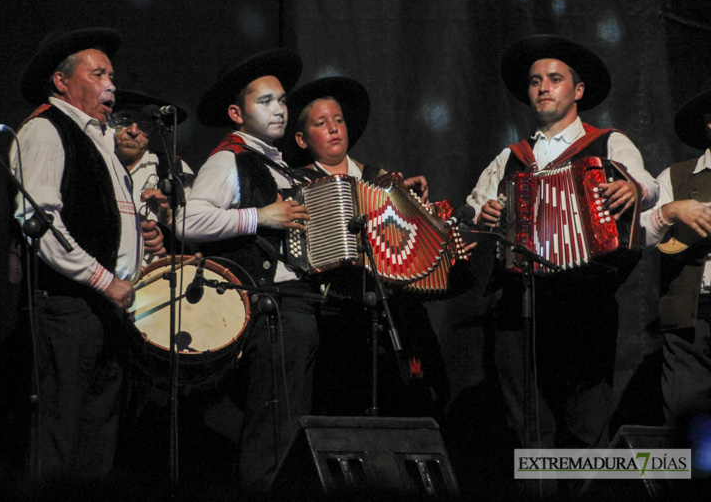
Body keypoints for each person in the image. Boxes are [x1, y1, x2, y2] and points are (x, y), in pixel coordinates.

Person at [466, 35, 659, 455]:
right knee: (529, 430)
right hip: (520, 303)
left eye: (555, 79)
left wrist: (632, 189)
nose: (543, 87)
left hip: (584, 301)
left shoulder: (609, 142)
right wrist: (485, 216)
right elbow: (477, 206)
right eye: (535, 81)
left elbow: (647, 183)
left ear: (578, 91)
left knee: (586, 427)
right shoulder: (510, 156)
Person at [284, 76, 471, 419]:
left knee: (413, 394)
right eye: (321, 123)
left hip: (392, 309)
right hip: (336, 313)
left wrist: (409, 201)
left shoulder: (378, 176)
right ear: (301, 138)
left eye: (338, 120)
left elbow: (407, 239)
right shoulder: (296, 183)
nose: (334, 129)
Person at [10, 27, 143, 481]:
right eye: (98, 73)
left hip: (107, 309)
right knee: (62, 433)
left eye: (112, 75)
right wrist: (105, 279)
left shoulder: (101, 140)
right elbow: (40, 222)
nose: (111, 84)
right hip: (69, 309)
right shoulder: (47, 130)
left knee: (98, 437)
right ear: (62, 81)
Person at [182, 49, 315, 492]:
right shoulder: (230, 159)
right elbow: (189, 221)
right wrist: (261, 217)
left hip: (296, 307)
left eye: (281, 100)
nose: (279, 109)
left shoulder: (276, 163)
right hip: (267, 309)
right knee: (272, 426)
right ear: (237, 113)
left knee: (290, 425)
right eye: (265, 101)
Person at [642, 88, 711, 428]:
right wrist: (671, 211)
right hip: (691, 319)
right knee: (686, 424)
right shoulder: (675, 176)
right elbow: (639, 236)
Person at [111, 90, 194, 268]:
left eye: (143, 124)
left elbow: (198, 236)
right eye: (125, 119)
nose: (133, 131)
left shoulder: (173, 170)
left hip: (155, 283)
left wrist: (168, 220)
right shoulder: (95, 163)